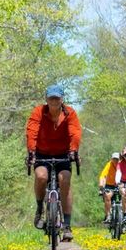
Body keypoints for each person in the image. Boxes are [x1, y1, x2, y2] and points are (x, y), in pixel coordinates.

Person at [25, 84, 82, 242]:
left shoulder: (69, 113)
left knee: (65, 179)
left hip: (63, 154)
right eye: (51, 98)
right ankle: (39, 209)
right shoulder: (38, 111)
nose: (54, 101)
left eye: (57, 98)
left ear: (62, 99)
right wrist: (31, 151)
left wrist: (73, 150)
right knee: (41, 176)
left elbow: (75, 132)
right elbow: (32, 131)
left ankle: (67, 226)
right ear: (46, 99)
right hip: (42, 154)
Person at [98, 152, 121, 224]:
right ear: (112, 159)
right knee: (107, 197)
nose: (116, 161)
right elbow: (102, 175)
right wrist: (101, 185)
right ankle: (108, 215)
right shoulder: (109, 164)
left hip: (120, 184)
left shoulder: (122, 165)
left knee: (124, 198)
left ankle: (124, 216)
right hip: (109, 185)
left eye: (117, 159)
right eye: (114, 159)